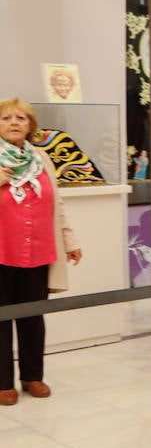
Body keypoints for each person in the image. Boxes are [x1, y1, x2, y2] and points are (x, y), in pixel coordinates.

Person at [0, 97, 82, 405]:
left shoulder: (42, 158)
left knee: (33, 317)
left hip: (37, 249)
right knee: (1, 318)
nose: (14, 122)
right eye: (6, 118)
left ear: (30, 126)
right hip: (1, 251)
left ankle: (32, 376)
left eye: (20, 118)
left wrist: (70, 241)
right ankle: (2, 381)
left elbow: (56, 203)